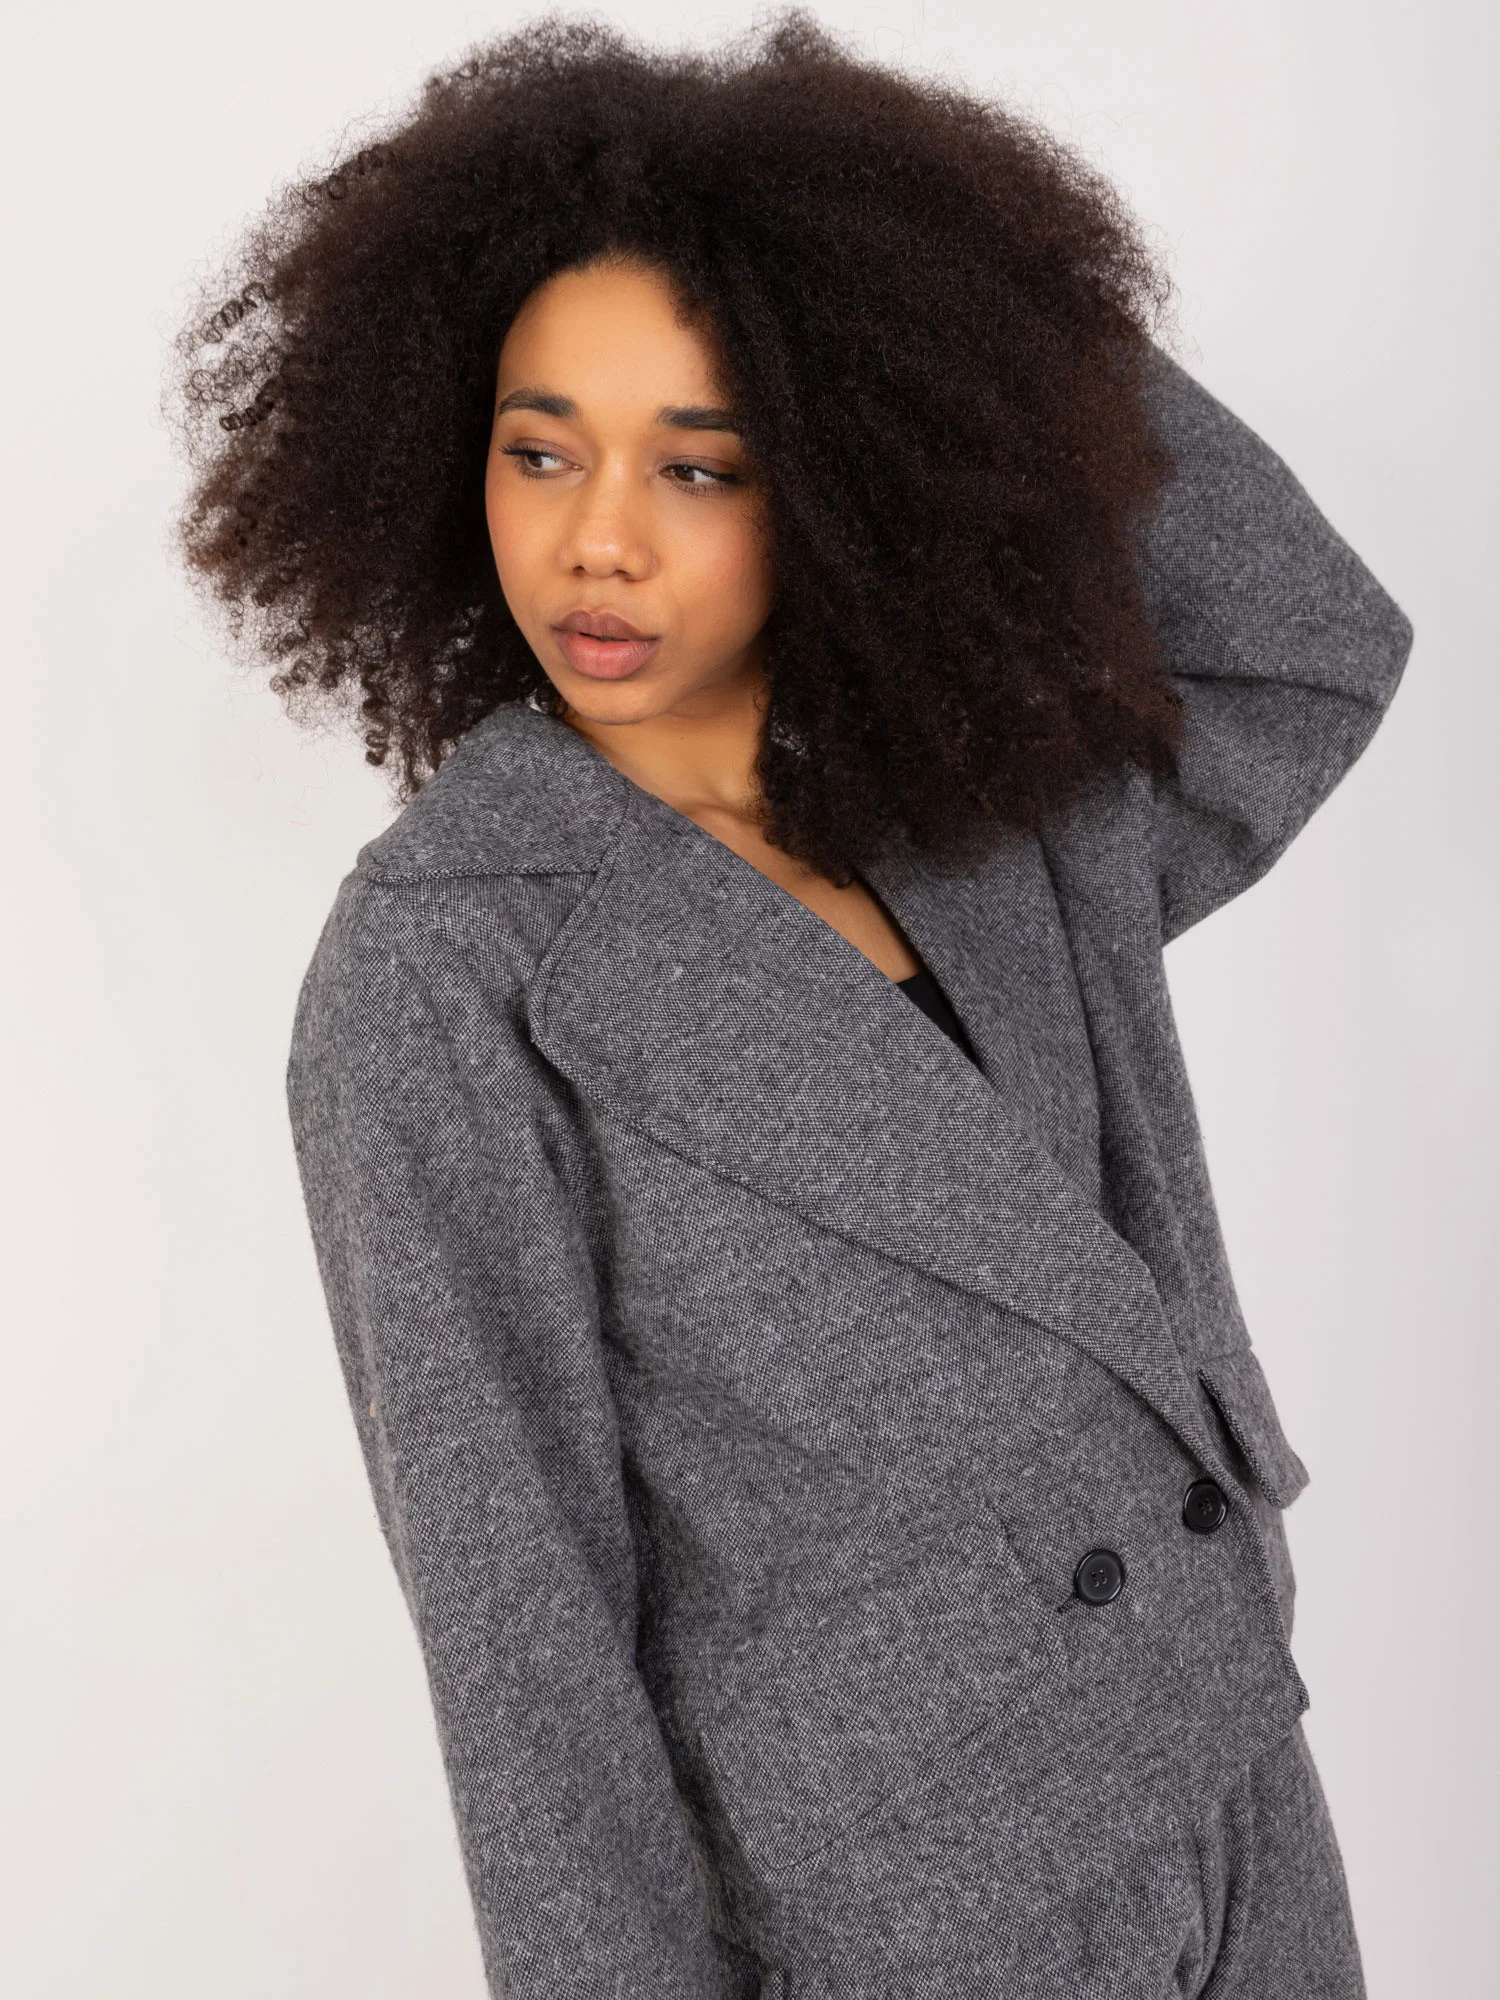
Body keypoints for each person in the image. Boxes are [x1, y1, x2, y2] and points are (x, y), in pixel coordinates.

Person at [170, 15, 1413, 1997]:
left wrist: (982, 324)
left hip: (1234, 1763)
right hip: (921, 1912)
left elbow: (1307, 645)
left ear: (837, 465)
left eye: (703, 463)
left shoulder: (977, 809)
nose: (598, 537)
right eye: (540, 448)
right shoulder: (448, 964)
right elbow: (523, 1642)